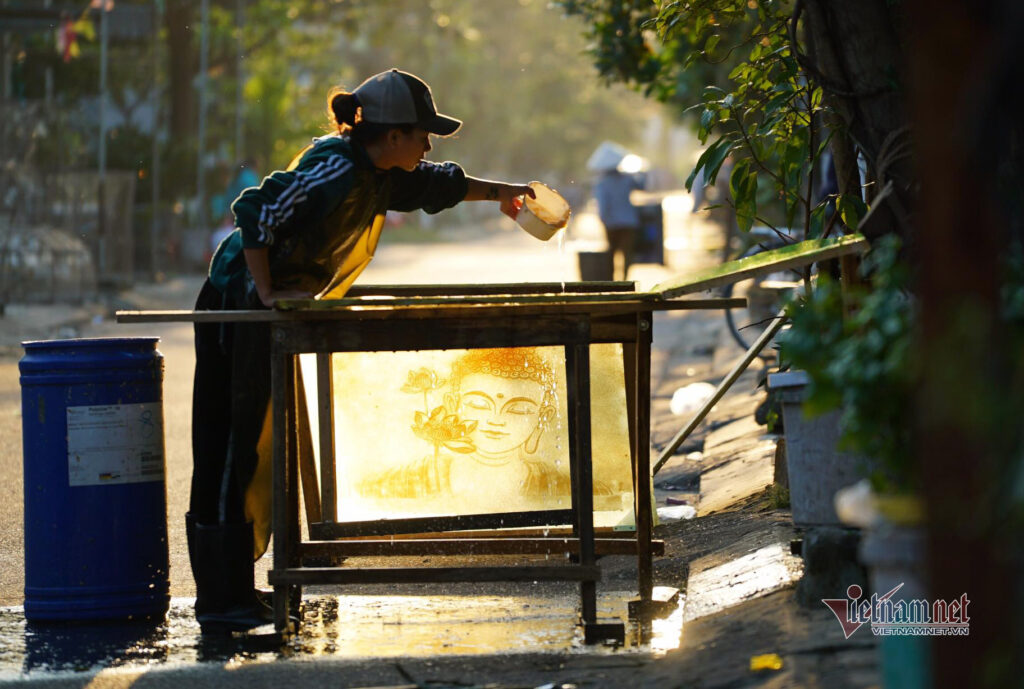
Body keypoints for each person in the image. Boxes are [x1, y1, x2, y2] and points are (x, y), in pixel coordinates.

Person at [187, 68, 537, 634]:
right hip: (237, 300)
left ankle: (236, 592)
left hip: (271, 310)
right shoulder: (333, 166)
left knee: (262, 443)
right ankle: (220, 600)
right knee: (233, 442)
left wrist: (504, 193)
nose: (426, 146)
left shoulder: (382, 173)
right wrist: (271, 292)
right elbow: (254, 212)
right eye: (422, 134)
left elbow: (440, 183)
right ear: (392, 134)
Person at [593, 167, 643, 281]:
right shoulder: (627, 179)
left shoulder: (602, 182)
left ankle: (611, 280)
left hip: (612, 223)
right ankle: (625, 278)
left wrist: (603, 219)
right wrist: (638, 173)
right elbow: (641, 186)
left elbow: (602, 204)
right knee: (627, 253)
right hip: (628, 222)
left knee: (611, 252)